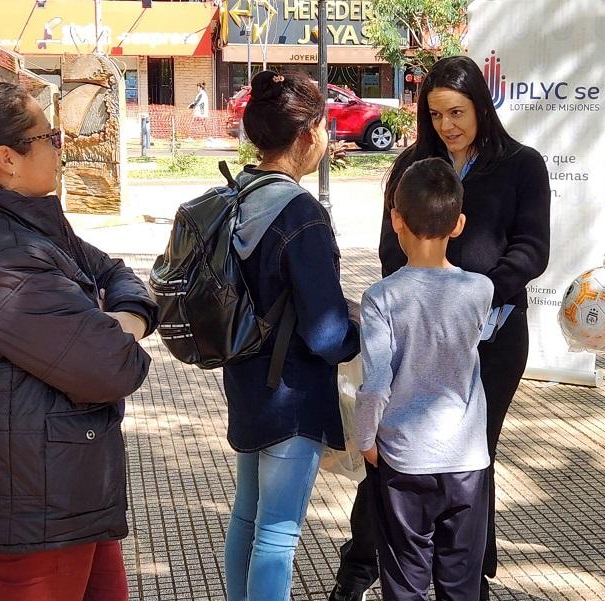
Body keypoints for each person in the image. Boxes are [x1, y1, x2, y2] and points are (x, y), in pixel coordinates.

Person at [0, 81, 157, 601]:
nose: (60, 147)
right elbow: (111, 365)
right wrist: (121, 325)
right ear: (6, 159)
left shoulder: (23, 221)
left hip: (62, 486)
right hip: (38, 500)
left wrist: (121, 315)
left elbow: (110, 270)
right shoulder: (3, 256)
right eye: (49, 137)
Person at [330, 55, 551, 601]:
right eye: (435, 114)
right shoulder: (413, 164)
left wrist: (476, 300)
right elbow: (390, 245)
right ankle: (360, 565)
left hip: (494, 337)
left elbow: (533, 248)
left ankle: (469, 574)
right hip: (415, 330)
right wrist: (423, 302)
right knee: (392, 454)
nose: (447, 125)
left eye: (457, 112)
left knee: (473, 455)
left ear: (482, 106)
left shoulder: (522, 164)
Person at [223, 70, 360, 601]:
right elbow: (326, 335)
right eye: (324, 127)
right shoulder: (301, 212)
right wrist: (362, 337)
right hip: (293, 392)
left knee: (247, 517)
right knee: (278, 533)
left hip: (245, 380)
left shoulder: (236, 193)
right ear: (306, 134)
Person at [356, 157, 493, 601]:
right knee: (461, 582)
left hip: (404, 458)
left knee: (405, 579)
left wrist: (365, 440)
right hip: (467, 459)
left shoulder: (381, 297)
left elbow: (375, 383)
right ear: (459, 224)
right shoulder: (481, 290)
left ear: (396, 219)